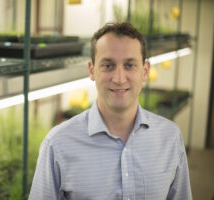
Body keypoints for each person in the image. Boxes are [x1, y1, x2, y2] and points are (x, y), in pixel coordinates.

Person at [28, 22, 192, 200]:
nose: (119, 79)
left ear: (145, 71)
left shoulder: (170, 138)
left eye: (129, 65)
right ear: (92, 71)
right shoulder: (57, 144)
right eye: (108, 65)